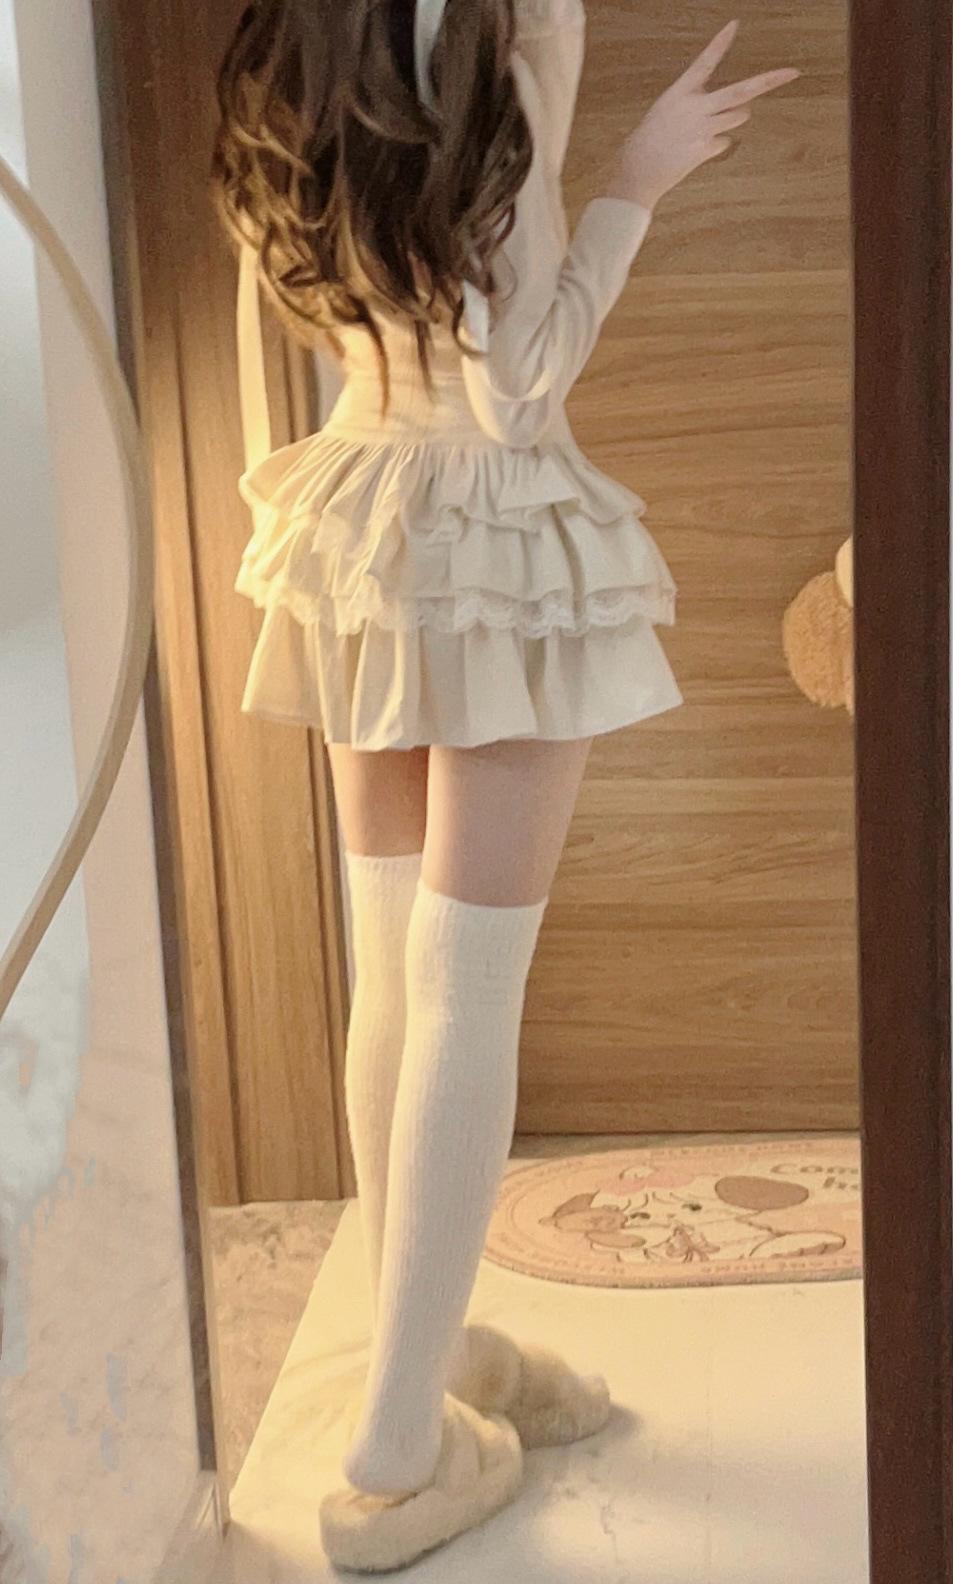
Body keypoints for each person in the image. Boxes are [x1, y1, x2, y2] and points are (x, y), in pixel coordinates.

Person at [211, 3, 799, 1569]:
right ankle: (399, 1455)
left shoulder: (300, 34)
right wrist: (634, 179)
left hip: (361, 513)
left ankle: (424, 1351)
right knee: (464, 989)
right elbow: (517, 386)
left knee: (393, 973)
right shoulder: (516, 18)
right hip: (491, 533)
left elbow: (374, 300)